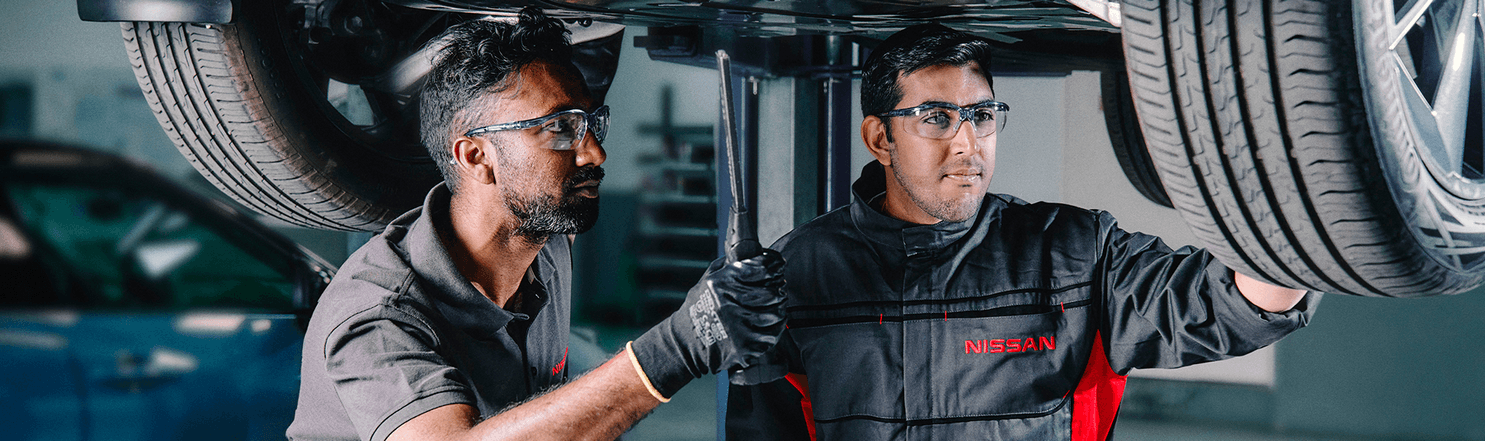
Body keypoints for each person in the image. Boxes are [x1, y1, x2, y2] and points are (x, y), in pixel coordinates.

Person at [724, 23, 1314, 440]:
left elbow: (1235, 304)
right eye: (936, 118)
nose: (969, 144)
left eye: (982, 116)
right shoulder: (799, 272)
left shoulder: (1074, 254)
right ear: (881, 138)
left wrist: (1313, 201)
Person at [286, 8, 786, 441]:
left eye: (591, 124)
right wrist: (677, 346)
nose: (595, 153)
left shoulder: (543, 247)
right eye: (561, 128)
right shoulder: (378, 315)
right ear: (476, 156)